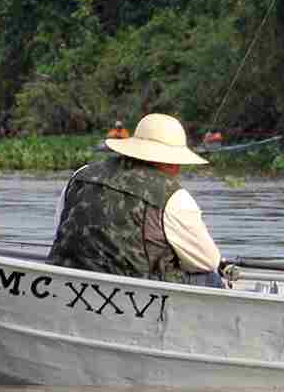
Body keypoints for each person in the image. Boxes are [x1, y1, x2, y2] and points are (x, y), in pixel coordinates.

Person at [49, 113, 224, 286]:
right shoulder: (175, 197)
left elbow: (59, 228)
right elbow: (208, 262)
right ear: (171, 162)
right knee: (211, 278)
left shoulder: (81, 175)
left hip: (65, 277)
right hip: (135, 290)